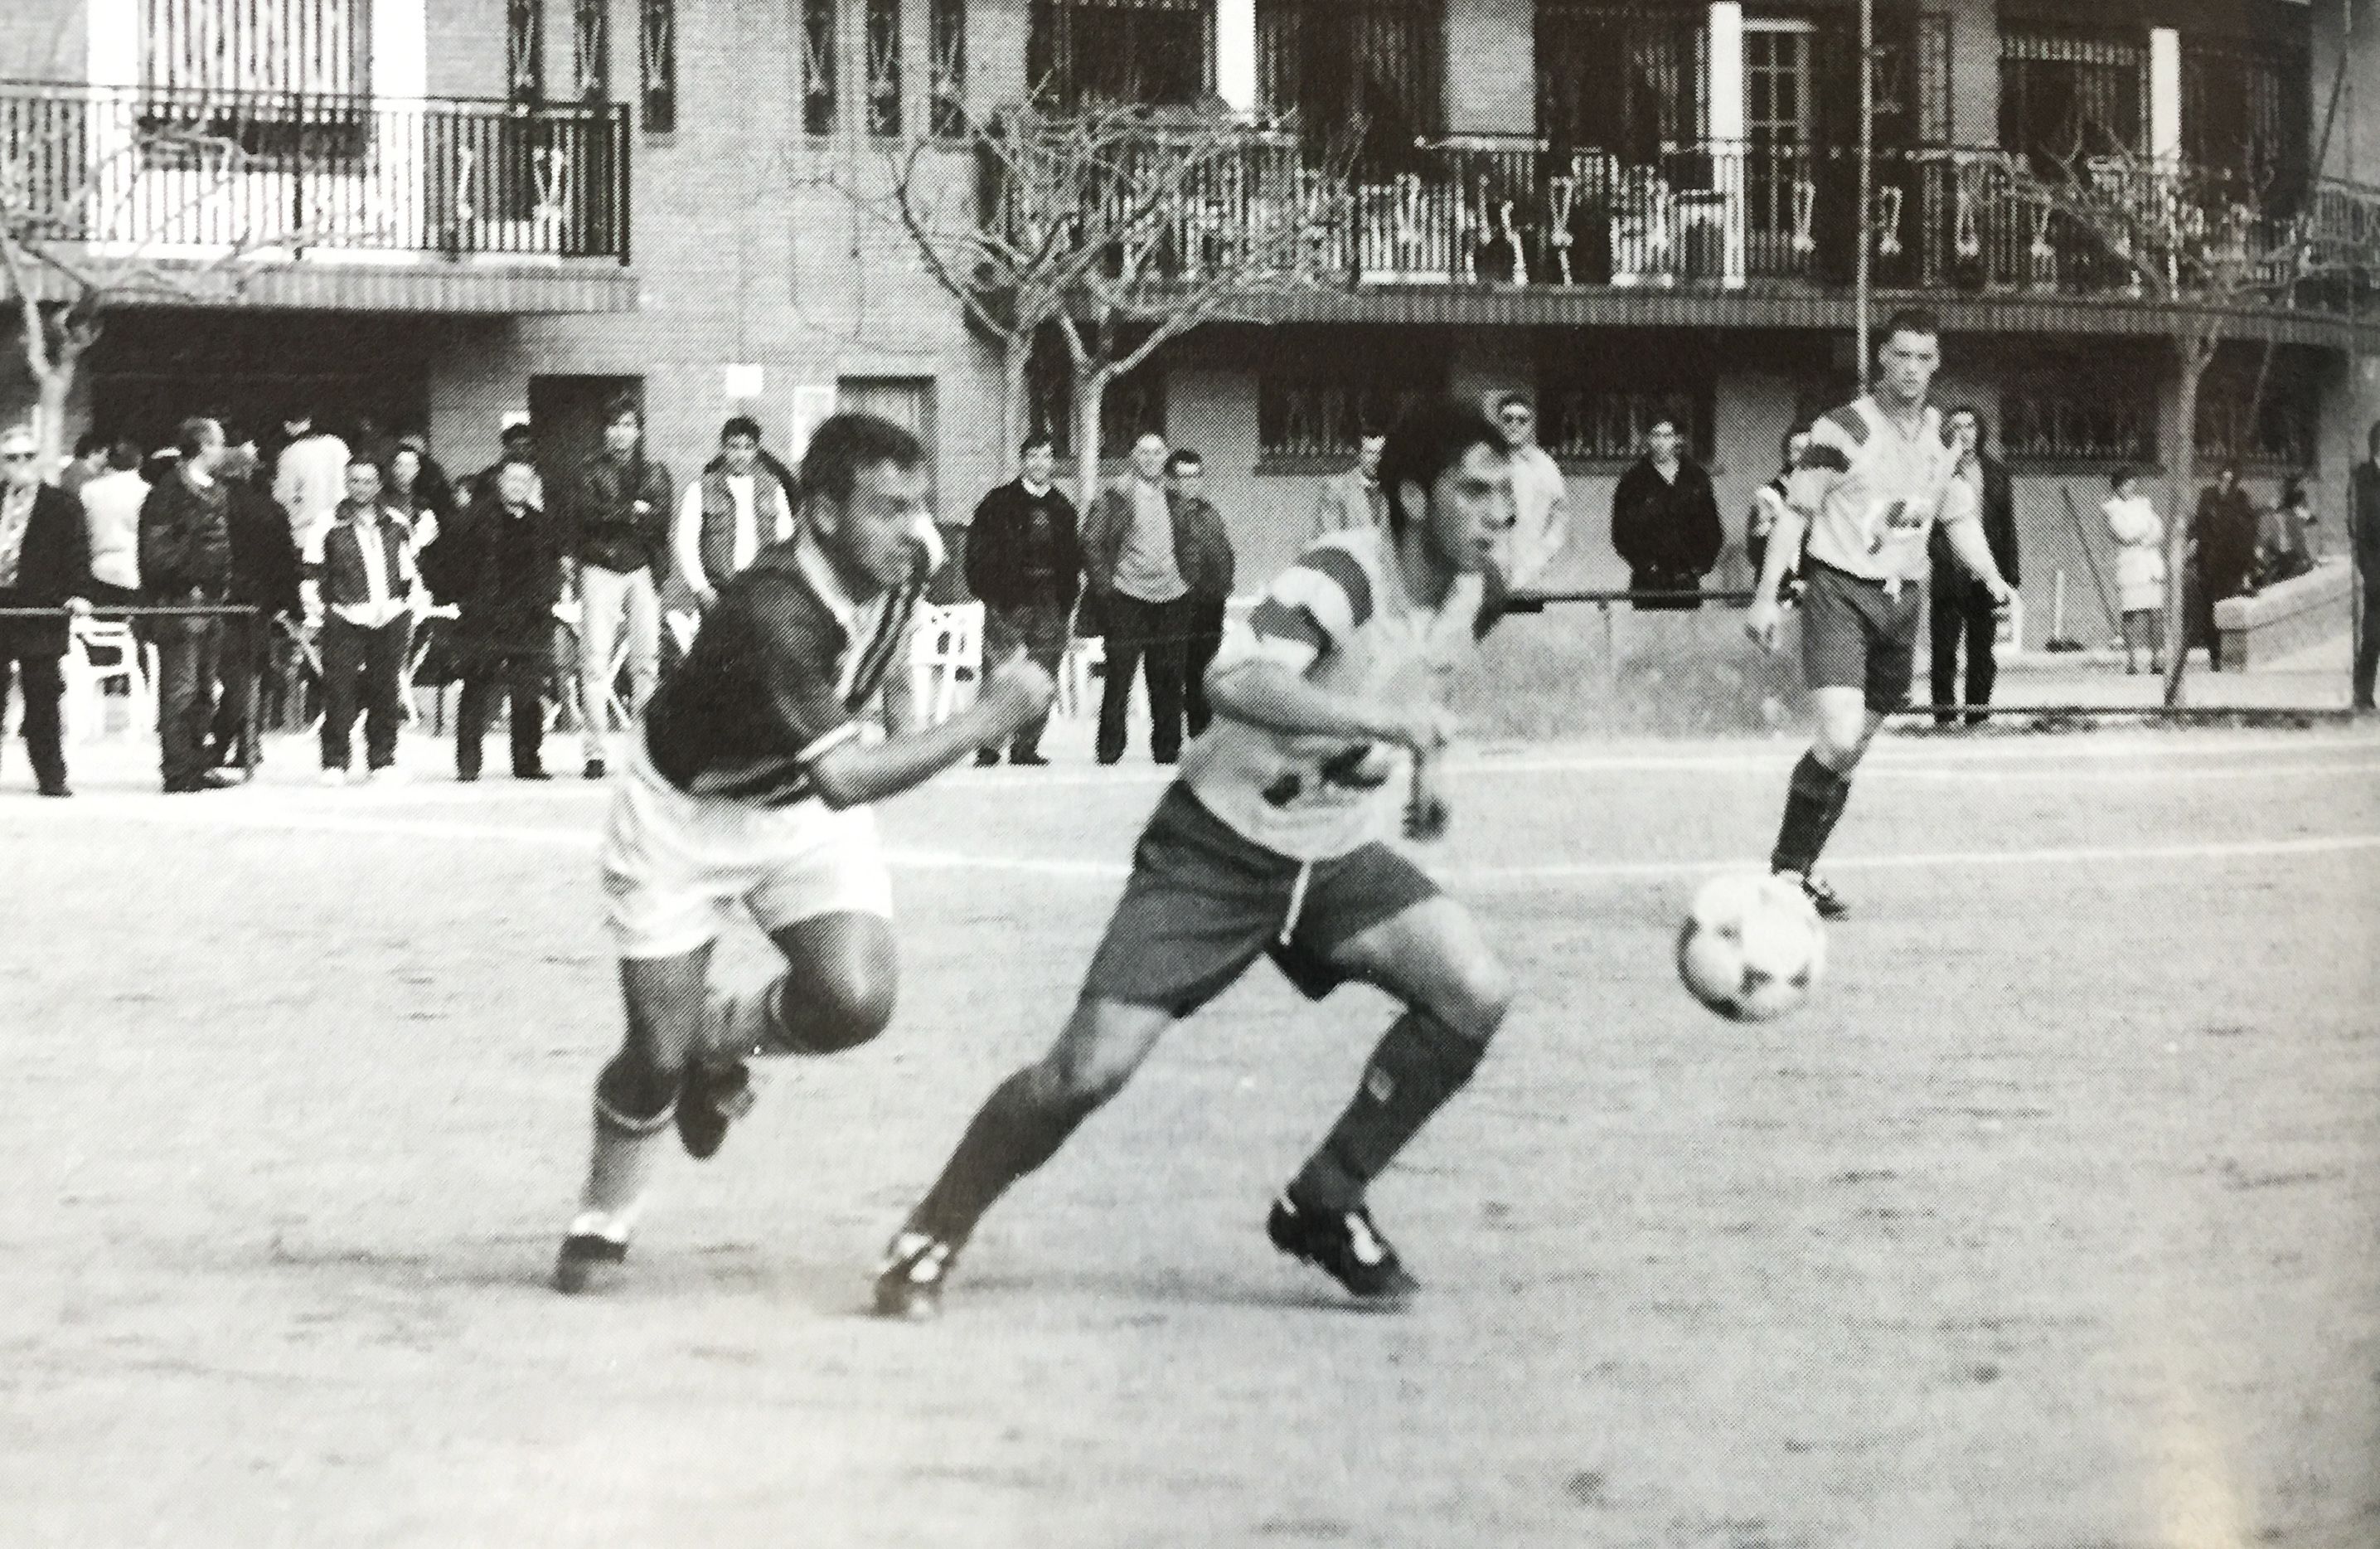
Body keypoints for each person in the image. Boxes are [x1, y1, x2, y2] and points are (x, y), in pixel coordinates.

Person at [874, 399, 1519, 1319]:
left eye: (1507, 490)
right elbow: (1234, 678)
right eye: (1475, 490)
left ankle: (1324, 1200)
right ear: (1414, 497)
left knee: (1474, 986)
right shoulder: (1344, 575)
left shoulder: (1475, 589)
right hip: (1215, 851)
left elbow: (1414, 684)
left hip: (1330, 857)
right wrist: (1385, 725)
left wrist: (1425, 770)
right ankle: (932, 1226)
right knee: (1085, 1072)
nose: (1499, 511)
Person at [550, 413, 1056, 1294]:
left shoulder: (908, 559)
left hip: (799, 806)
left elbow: (900, 656)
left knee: (856, 1000)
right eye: (887, 508)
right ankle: (604, 1210)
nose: (912, 528)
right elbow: (850, 780)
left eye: (919, 505)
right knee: (651, 1056)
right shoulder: (770, 611)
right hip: (687, 812)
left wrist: (999, 659)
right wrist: (987, 718)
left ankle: (725, 1040)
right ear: (820, 512)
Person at [1743, 309, 2012, 920]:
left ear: (1936, 362)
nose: (1911, 369)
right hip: (1840, 592)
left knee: (1851, 749)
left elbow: (1957, 516)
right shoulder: (1840, 429)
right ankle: (1785, 875)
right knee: (1837, 736)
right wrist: (1765, 595)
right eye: (1901, 356)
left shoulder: (1945, 437)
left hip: (1903, 600)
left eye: (1923, 357)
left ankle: (1797, 870)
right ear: (1881, 360)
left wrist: (1991, 576)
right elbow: (1794, 513)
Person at [431, 456, 565, 782]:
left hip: (529, 618)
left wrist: (547, 600)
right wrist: (462, 598)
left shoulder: (541, 523)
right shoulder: (474, 519)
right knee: (476, 687)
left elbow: (552, 568)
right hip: (485, 616)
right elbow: (444, 559)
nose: (518, 485)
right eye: (512, 479)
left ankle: (527, 761)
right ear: (499, 481)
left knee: (528, 693)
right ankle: (468, 762)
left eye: (525, 479)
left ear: (533, 484)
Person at [570, 399, 674, 780]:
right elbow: (588, 517)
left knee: (647, 662)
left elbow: (660, 519)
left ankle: (643, 752)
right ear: (605, 430)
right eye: (614, 424)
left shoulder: (655, 471)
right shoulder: (588, 471)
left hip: (644, 568)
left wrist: (620, 513)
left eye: (628, 424)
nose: (621, 432)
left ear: (639, 430)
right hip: (601, 567)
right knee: (595, 661)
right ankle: (595, 751)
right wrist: (633, 511)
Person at [962, 433, 1079, 766]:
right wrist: (990, 593)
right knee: (999, 670)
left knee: (1043, 672)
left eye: (1046, 456)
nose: (1040, 463)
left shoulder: (1062, 508)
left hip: (1050, 601)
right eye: (1033, 456)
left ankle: (1026, 746)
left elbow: (1073, 558)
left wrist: (1066, 600)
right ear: (1023, 460)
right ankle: (988, 745)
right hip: (1009, 601)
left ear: (1053, 462)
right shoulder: (998, 503)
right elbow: (976, 553)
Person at [307, 456, 421, 784]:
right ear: (346, 483)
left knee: (386, 689)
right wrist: (321, 614)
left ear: (379, 484)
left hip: (391, 616)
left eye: (368, 481)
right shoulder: (327, 524)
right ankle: (335, 761)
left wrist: (406, 607)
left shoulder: (397, 522)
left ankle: (382, 759)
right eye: (355, 480)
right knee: (339, 690)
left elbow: (410, 569)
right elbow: (312, 574)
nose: (362, 487)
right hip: (344, 617)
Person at [139, 417, 237, 794]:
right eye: (219, 442)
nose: (223, 450)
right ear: (204, 446)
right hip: (180, 601)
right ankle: (178, 768)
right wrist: (193, 572)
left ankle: (196, 759)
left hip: (212, 601)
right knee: (180, 687)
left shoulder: (219, 491)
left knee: (202, 688)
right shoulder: (169, 492)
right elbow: (157, 553)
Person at [1082, 432, 1190, 765]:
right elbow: (1090, 542)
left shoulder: (1175, 495)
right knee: (1119, 675)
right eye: (1144, 452)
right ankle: (1110, 750)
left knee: (1168, 676)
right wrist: (1106, 588)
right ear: (1133, 456)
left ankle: (1167, 749)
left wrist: (1189, 579)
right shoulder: (1114, 495)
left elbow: (1190, 540)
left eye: (1157, 453)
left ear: (1165, 457)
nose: (1151, 459)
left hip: (1171, 595)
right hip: (1126, 595)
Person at [0, 424, 92, 798]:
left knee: (43, 695)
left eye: (27, 456)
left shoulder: (62, 504)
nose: (20, 463)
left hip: (41, 606)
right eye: (11, 457)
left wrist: (79, 593)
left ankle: (51, 775)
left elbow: (78, 554)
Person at [209, 433, 303, 776]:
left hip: (217, 599)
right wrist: (290, 606)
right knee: (249, 674)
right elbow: (285, 562)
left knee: (226, 676)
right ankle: (246, 743)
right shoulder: (269, 509)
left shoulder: (213, 504)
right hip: (258, 602)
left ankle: (224, 744)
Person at [1928, 405, 2019, 726]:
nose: (1964, 432)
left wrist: (2009, 578)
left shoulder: (1995, 471)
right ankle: (1944, 715)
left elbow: (2007, 526)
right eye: (1956, 426)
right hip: (1948, 569)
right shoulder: (1938, 470)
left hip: (1986, 572)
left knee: (1982, 648)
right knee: (1944, 647)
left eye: (1970, 425)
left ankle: (1978, 714)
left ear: (1979, 431)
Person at [675, 415, 795, 613]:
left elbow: (786, 540)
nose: (741, 454)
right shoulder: (701, 489)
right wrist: (701, 588)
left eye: (748, 447)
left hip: (761, 593)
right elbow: (686, 543)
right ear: (723, 449)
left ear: (756, 450)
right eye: (734, 447)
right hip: (719, 591)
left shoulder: (773, 488)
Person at [1608, 417, 1722, 609]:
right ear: (1648, 439)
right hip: (1648, 583)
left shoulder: (1695, 478)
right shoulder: (1633, 481)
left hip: (1686, 581)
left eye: (1667, 436)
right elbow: (1621, 533)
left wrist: (1698, 568)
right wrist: (1646, 566)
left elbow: (1712, 528)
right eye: (1656, 436)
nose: (1661, 442)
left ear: (1678, 439)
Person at [1166, 448, 1237, 739]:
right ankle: (1170, 738)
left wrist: (1226, 581)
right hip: (1179, 600)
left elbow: (1222, 549)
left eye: (1196, 476)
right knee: (1176, 670)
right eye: (1184, 477)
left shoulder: (1210, 512)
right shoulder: (1166, 512)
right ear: (1171, 479)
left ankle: (1202, 731)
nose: (1191, 483)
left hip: (1212, 599)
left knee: (1205, 668)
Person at [1494, 392, 1568, 588]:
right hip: (1490, 576)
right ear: (1498, 423)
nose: (1514, 425)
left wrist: (1541, 557)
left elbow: (1559, 517)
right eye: (1508, 419)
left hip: (1531, 575)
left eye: (1522, 420)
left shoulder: (1545, 467)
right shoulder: (1484, 463)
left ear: (1531, 425)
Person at [2190, 464, 2258, 672]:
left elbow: (2249, 531)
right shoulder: (2207, 496)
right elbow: (2200, 524)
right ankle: (2215, 655)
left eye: (2230, 480)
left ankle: (2230, 655)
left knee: (2228, 606)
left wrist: (2248, 566)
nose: (2226, 484)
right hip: (2210, 564)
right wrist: (2195, 543)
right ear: (2217, 478)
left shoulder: (2241, 499)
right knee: (2211, 608)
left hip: (2232, 564)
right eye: (2223, 478)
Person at [2101, 469, 2166, 675]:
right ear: (2118, 487)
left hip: (2150, 564)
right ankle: (2132, 660)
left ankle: (2157, 659)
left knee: (2155, 613)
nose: (2130, 487)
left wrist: (2146, 534)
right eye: (2126, 484)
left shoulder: (2143, 504)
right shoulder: (2112, 510)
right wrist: (2145, 530)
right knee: (2131, 613)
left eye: (2132, 483)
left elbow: (2159, 529)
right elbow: (2125, 534)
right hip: (2130, 566)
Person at [77, 439, 149, 609]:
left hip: (97, 569)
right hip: (133, 569)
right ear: (138, 462)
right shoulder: (145, 491)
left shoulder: (88, 490)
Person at [270, 408, 350, 556]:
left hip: (307, 535)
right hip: (344, 531)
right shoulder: (338, 445)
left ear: (287, 425)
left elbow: (281, 497)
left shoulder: (290, 454)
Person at [1747, 426, 1809, 599]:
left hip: (1811, 592)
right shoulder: (1768, 496)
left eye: (1809, 450)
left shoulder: (1822, 496)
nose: (1804, 456)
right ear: (1787, 455)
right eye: (1797, 450)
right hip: (1775, 591)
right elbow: (1755, 552)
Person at [1309, 430, 1388, 538]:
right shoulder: (1336, 489)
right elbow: (1329, 541)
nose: (1376, 459)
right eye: (1370, 453)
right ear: (1359, 454)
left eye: (1380, 453)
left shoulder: (1393, 491)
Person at [2351, 422, 2379, 711]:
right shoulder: (2363, 478)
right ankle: (2363, 693)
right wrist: (2371, 575)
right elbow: (2360, 532)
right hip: (2377, 573)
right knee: (2373, 635)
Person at [2256, 475, 2318, 589]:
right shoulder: (2282, 513)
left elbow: (2308, 519)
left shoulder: (2286, 511)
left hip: (2287, 557)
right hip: (2283, 557)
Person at [58, 432, 109, 499]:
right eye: (104, 454)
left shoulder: (104, 473)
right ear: (92, 453)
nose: (106, 459)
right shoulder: (74, 473)